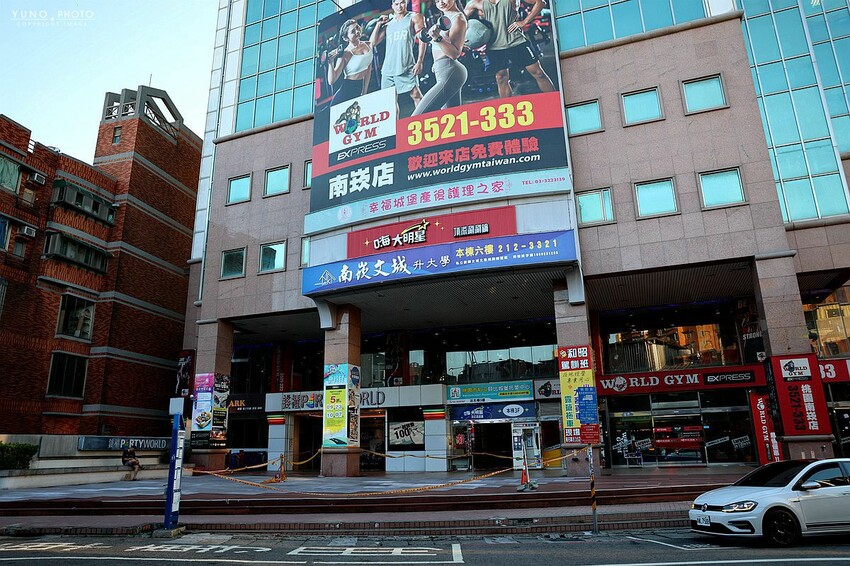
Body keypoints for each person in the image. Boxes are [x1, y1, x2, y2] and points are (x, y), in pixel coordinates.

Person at [464, 0, 555, 98]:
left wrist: (524, 22)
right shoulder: (475, 2)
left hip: (517, 42)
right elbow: (460, 21)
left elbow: (540, 2)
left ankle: (556, 101)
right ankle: (506, 105)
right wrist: (467, 42)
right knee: (501, 78)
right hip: (494, 47)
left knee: (539, 73)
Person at [412, 0, 468, 116]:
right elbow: (444, 46)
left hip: (450, 71)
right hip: (442, 70)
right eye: (437, 1)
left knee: (417, 117)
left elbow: (455, 54)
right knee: (451, 119)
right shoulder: (445, 17)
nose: (441, 3)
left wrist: (437, 38)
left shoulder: (458, 19)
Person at [371, 0, 426, 117]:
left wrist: (420, 61)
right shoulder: (389, 23)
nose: (399, 6)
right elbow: (373, 42)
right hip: (388, 68)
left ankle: (422, 121)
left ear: (406, 3)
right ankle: (395, 127)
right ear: (392, 6)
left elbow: (423, 39)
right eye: (396, 4)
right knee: (390, 101)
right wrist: (378, 24)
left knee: (416, 94)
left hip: (405, 65)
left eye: (402, 3)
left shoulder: (414, 17)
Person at [327, 19, 381, 107]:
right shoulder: (345, 54)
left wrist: (364, 90)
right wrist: (330, 62)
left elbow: (368, 68)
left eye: (357, 27)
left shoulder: (368, 45)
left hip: (359, 88)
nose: (357, 31)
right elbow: (331, 81)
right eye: (353, 31)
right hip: (346, 92)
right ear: (346, 38)